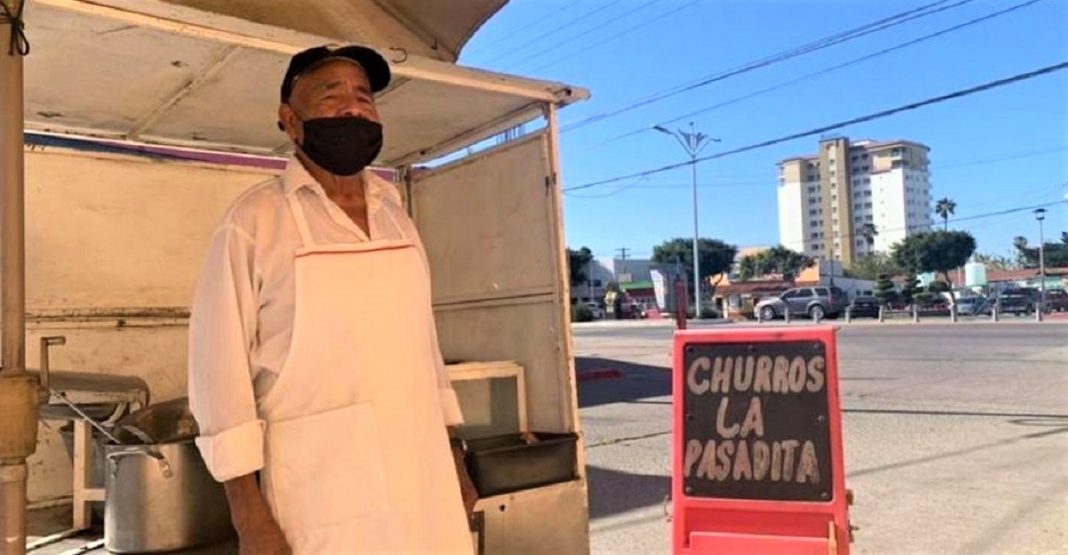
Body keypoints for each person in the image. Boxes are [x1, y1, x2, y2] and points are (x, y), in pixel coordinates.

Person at [187, 45, 476, 555]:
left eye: (364, 96)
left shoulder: (396, 216)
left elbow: (424, 352)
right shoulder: (252, 222)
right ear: (289, 120)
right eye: (331, 94)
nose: (353, 107)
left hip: (424, 481)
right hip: (321, 495)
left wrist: (455, 462)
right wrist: (249, 518)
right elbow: (219, 376)